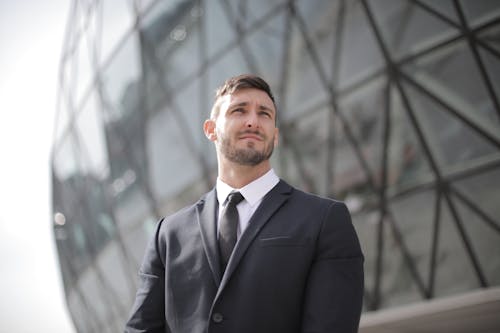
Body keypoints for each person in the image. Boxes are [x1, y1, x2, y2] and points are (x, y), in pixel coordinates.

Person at [125, 74, 364, 333]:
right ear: (210, 129)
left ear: (276, 135)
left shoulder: (325, 220)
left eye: (264, 114)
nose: (253, 121)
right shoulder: (168, 235)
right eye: (239, 110)